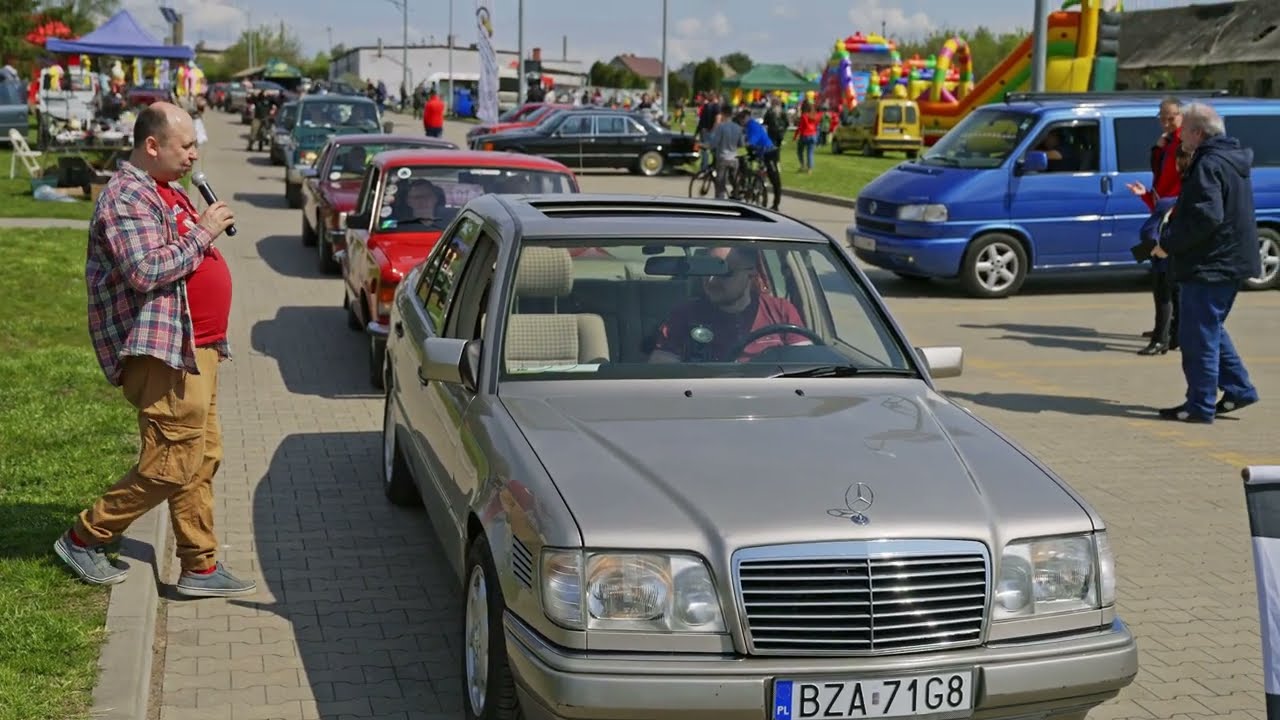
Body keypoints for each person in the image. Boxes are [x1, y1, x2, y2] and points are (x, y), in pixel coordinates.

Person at [56, 102, 254, 597]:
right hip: (163, 351)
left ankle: (200, 566)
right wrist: (203, 231)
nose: (193, 155)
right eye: (185, 145)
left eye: (194, 146)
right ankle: (84, 536)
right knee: (171, 461)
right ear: (152, 146)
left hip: (196, 346)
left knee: (201, 456)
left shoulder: (168, 190)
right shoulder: (127, 197)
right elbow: (145, 269)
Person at [1158, 102, 1261, 423]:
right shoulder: (1229, 159)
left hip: (1211, 264)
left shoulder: (1208, 163)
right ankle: (1239, 389)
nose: (1179, 135)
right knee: (1210, 329)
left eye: (1183, 129)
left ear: (1197, 132)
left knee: (1197, 336)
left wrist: (1169, 243)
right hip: (1227, 261)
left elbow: (1207, 216)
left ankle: (1199, 406)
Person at [650, 247, 810, 363]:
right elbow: (660, 371)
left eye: (724, 272)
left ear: (751, 272)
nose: (711, 280)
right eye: (706, 269)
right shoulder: (685, 314)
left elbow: (806, 367)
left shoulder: (781, 311)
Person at [1127, 144, 1191, 355]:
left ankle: (1160, 340)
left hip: (1168, 248)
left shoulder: (1185, 185)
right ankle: (1175, 336)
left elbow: (1166, 212)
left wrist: (1157, 248)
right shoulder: (1193, 183)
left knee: (1164, 294)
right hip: (1175, 247)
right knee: (1176, 293)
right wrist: (1145, 194)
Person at [737, 108, 782, 211]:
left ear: (747, 118)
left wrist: (745, 144)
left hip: (770, 153)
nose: (741, 122)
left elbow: (752, 141)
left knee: (775, 179)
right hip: (761, 152)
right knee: (749, 166)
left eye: (742, 120)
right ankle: (753, 187)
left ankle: (776, 204)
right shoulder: (749, 126)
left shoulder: (753, 126)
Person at [705, 106, 743, 200]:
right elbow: (741, 143)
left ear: (723, 114)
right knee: (734, 179)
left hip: (723, 157)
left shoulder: (721, 127)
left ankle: (720, 199)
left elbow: (714, 143)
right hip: (734, 158)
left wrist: (707, 145)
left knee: (720, 182)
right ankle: (737, 194)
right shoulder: (738, 128)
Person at [794, 100, 819, 173]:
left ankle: (802, 165)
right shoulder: (814, 115)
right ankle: (809, 169)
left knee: (799, 151)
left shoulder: (804, 116)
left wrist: (795, 136)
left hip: (805, 135)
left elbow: (800, 127)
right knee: (810, 153)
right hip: (813, 135)